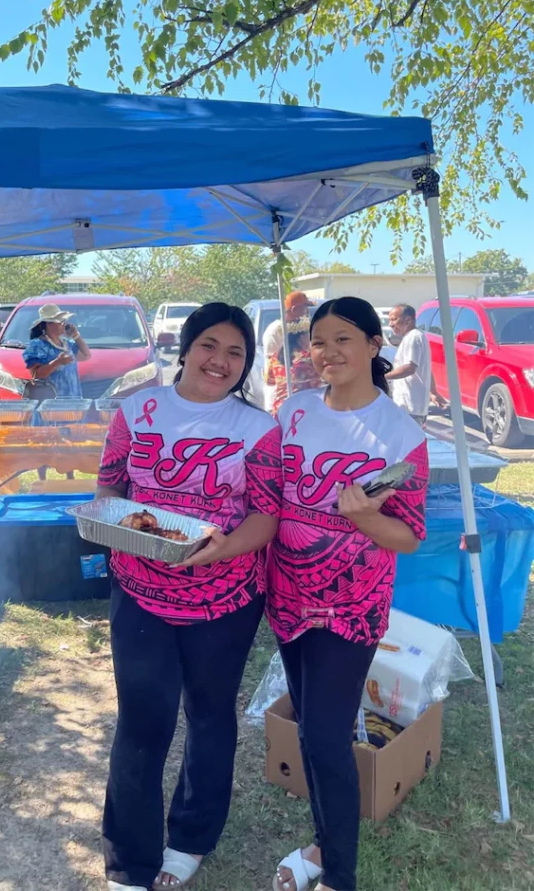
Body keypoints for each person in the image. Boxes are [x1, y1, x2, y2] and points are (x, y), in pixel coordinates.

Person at [97, 303, 282, 891]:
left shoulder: (258, 428)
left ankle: (191, 838)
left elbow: (267, 516)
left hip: (225, 599)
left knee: (208, 717)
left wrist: (220, 549)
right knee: (141, 723)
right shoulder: (137, 410)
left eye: (236, 352)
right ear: (186, 346)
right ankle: (130, 861)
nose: (220, 361)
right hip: (140, 592)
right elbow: (110, 488)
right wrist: (121, 529)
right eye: (209, 345)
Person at [266, 297, 428, 891]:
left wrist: (362, 518)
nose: (328, 352)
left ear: (373, 344)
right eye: (318, 341)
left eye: (343, 339)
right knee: (310, 721)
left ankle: (339, 873)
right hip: (285, 594)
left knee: (326, 735)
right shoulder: (294, 412)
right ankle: (321, 842)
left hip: (350, 605)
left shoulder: (400, 432)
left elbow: (408, 537)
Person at [23, 303, 92, 396]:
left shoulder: (66, 343)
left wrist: (75, 336)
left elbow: (86, 355)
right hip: (51, 403)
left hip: (72, 399)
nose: (63, 324)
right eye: (60, 321)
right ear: (49, 324)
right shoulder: (37, 345)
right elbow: (36, 375)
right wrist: (57, 362)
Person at [387, 303, 435, 427]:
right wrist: (433, 392)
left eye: (393, 320)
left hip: (409, 408)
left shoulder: (413, 337)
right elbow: (427, 370)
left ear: (408, 320)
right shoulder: (414, 337)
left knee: (406, 444)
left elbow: (410, 368)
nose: (390, 324)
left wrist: (384, 376)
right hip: (412, 408)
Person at [265, 324, 320, 416]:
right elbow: (318, 381)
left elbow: (269, 381)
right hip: (302, 409)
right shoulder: (308, 358)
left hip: (279, 409)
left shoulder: (275, 358)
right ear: (302, 338)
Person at [263, 290, 314, 363]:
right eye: (305, 308)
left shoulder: (303, 329)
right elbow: (272, 361)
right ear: (294, 310)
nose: (307, 312)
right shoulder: (275, 330)